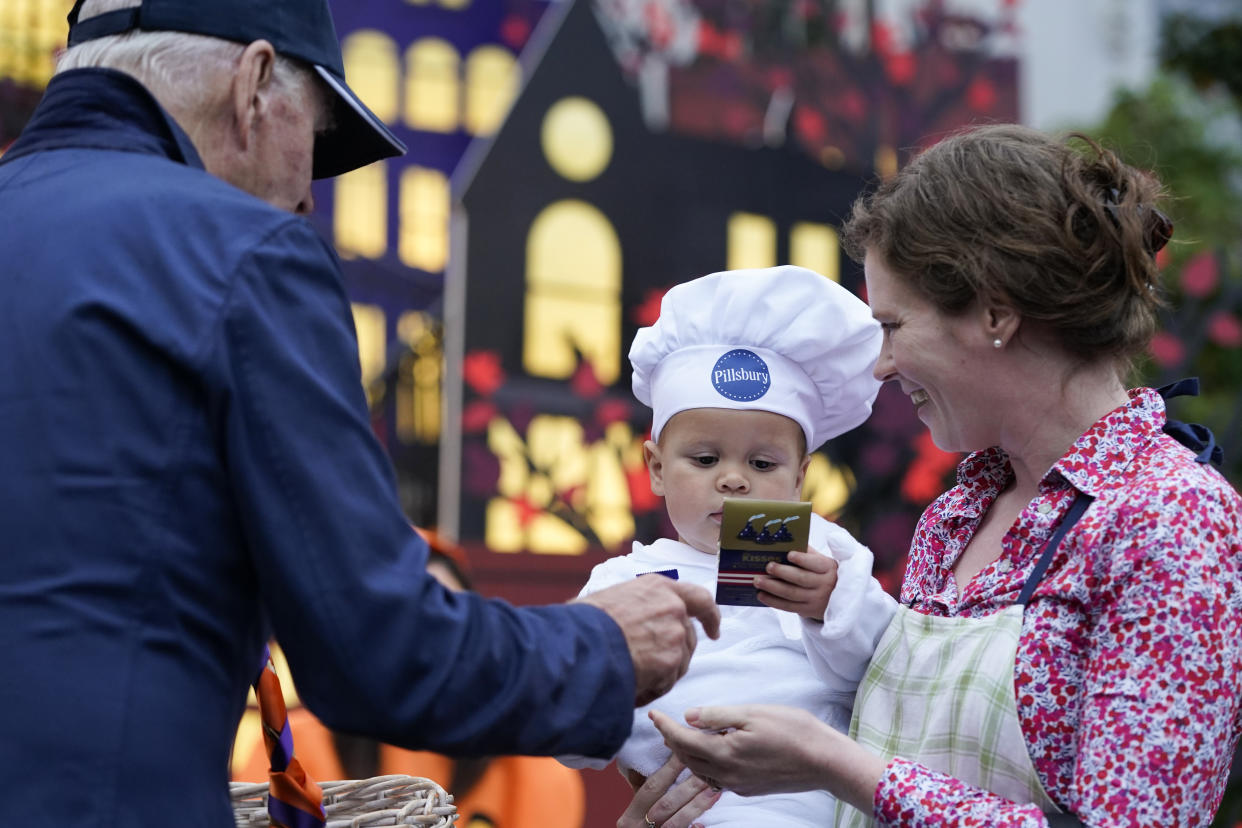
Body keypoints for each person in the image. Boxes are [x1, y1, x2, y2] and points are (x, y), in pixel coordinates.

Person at [0, 1, 720, 825]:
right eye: (314, 142)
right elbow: (379, 650)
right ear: (256, 83)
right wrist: (603, 647)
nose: (307, 201)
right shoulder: (244, 252)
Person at [644, 123, 1242, 827]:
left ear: (994, 310)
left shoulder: (1175, 517)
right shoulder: (958, 514)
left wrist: (836, 765)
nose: (882, 364)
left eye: (893, 327)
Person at [563, 266, 897, 827]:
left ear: (800, 477)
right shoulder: (623, 581)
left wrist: (831, 605)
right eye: (705, 458)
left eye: (762, 464)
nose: (734, 480)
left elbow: (886, 672)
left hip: (817, 807)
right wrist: (608, 669)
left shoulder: (828, 557)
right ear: (657, 468)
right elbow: (567, 732)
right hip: (688, 809)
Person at [233, 530, 588, 828]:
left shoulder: (532, 771)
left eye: (448, 619)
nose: (426, 648)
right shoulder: (288, 750)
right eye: (400, 624)